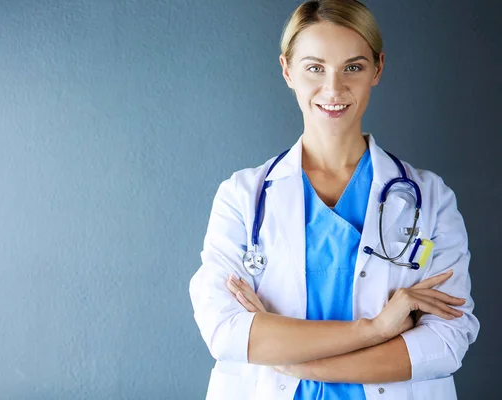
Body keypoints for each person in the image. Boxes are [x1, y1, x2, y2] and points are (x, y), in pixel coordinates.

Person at [189, 1, 479, 399]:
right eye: (314, 67)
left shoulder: (431, 199)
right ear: (287, 70)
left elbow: (447, 341)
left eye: (353, 67)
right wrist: (375, 330)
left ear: (377, 68)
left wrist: (289, 357)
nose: (333, 88)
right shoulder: (242, 197)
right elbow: (225, 332)